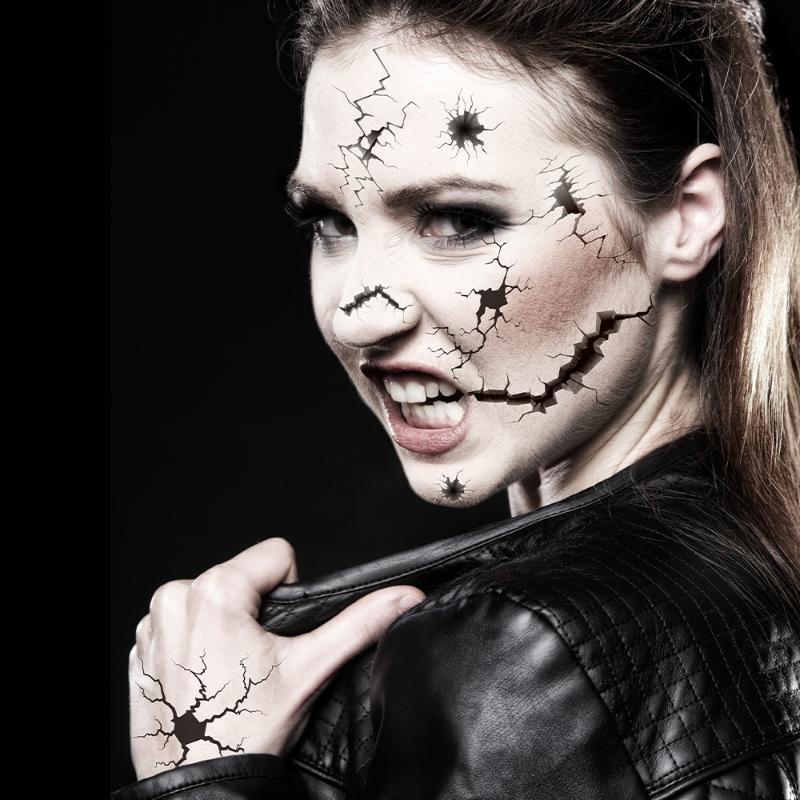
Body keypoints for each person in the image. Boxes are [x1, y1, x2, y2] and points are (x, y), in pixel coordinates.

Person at [112, 0, 800, 797]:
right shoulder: (759, 542)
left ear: (687, 218)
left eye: (458, 220)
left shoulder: (519, 652)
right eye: (331, 223)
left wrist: (203, 766)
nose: (357, 315)